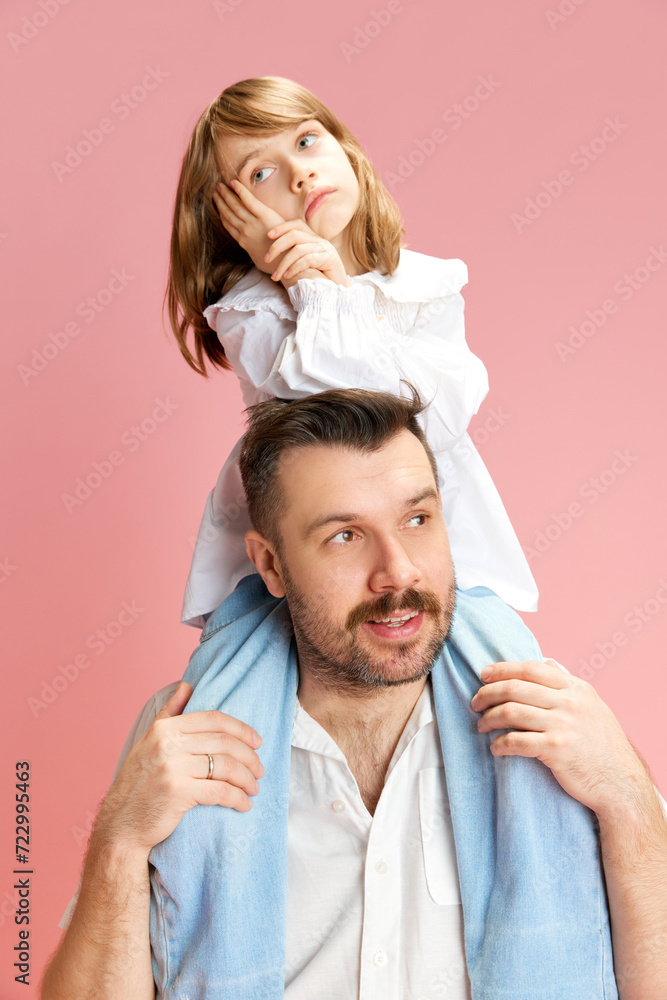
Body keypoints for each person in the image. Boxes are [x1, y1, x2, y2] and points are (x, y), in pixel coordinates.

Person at [43, 388, 667, 1000]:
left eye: (417, 520)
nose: (398, 572)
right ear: (271, 566)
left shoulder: (552, 720)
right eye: (345, 535)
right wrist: (119, 841)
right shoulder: (185, 730)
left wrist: (629, 797)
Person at [166, 74, 539, 628]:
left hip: (434, 530)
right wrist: (310, 283)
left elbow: (433, 420)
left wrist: (334, 285)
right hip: (308, 549)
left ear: (346, 149)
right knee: (245, 664)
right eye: (261, 173)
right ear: (232, 220)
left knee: (497, 654)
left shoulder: (424, 284)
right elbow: (345, 407)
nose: (300, 174)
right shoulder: (250, 310)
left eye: (306, 141)